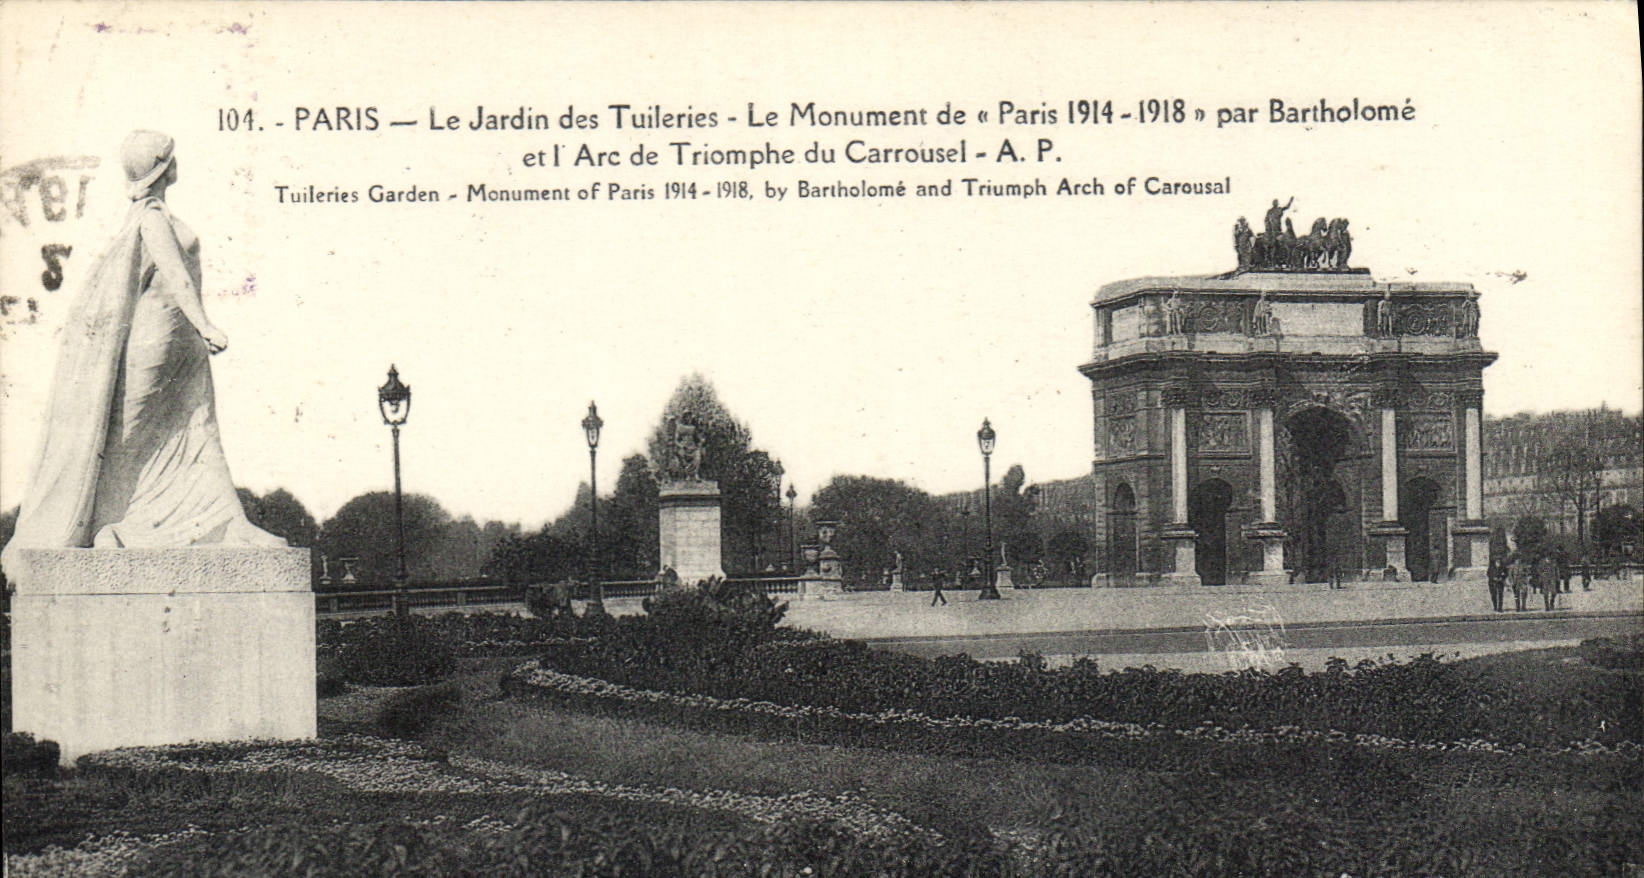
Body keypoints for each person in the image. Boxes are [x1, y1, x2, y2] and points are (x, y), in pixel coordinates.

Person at [2, 131, 281, 575]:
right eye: (171, 158)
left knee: (198, 430)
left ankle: (226, 523)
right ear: (159, 167)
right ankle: (109, 526)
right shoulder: (150, 218)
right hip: (155, 345)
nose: (177, 164)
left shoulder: (160, 216)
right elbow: (175, 275)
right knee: (130, 440)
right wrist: (205, 324)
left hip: (183, 348)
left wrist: (197, 332)